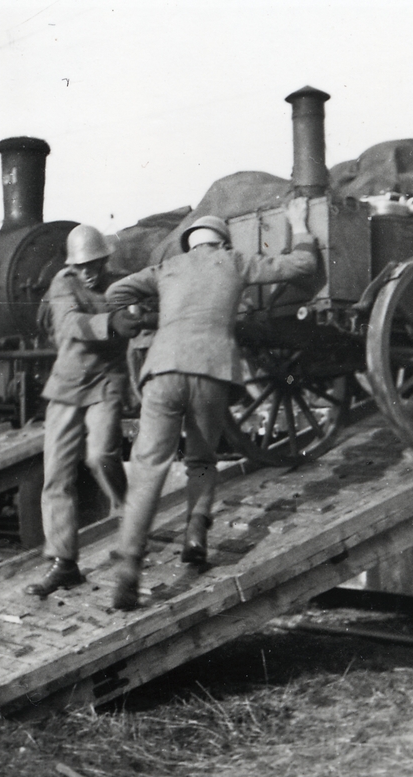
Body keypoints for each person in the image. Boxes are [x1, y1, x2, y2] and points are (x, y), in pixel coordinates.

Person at [103, 197, 318, 612]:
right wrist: (300, 225)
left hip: (163, 371)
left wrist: (139, 316)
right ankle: (196, 534)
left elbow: (116, 291)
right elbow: (301, 265)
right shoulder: (235, 262)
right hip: (211, 372)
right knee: (202, 458)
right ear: (221, 241)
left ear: (190, 243)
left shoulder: (168, 268)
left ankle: (129, 562)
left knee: (149, 466)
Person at [24, 224, 141, 597]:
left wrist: (141, 315)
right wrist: (111, 322)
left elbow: (145, 306)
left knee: (101, 455)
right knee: (57, 473)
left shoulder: (122, 284)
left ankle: (130, 518)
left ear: (105, 260)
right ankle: (64, 563)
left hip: (107, 381)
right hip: (67, 384)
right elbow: (70, 322)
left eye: (94, 264)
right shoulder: (63, 284)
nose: (88, 272)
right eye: (82, 266)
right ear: (72, 266)